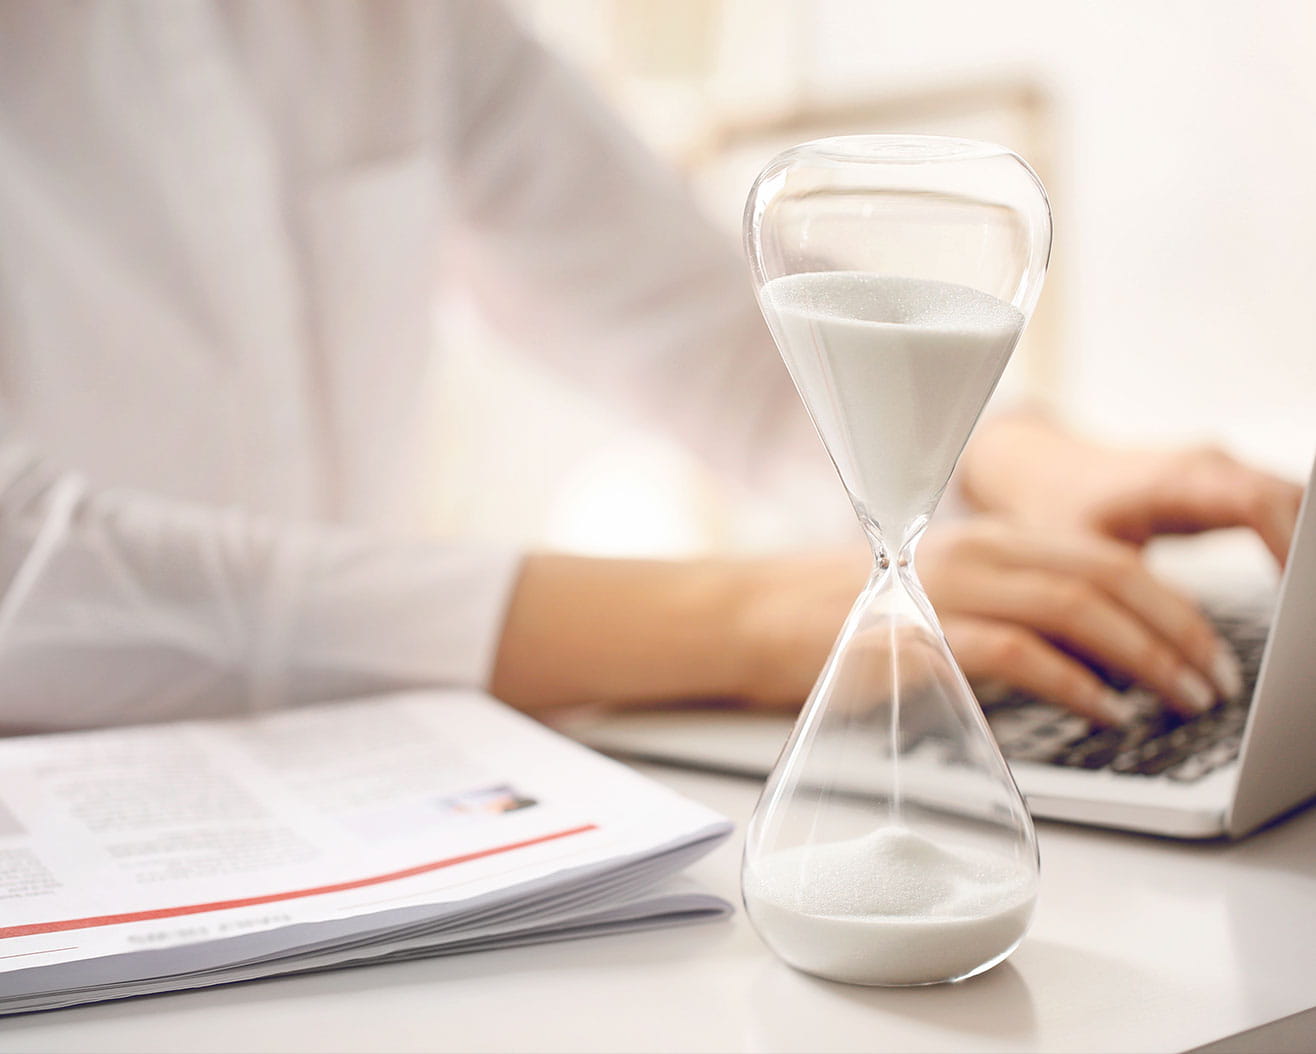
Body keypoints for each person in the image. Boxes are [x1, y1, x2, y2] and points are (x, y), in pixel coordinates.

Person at [0, 1, 1302, 735]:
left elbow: (723, 341)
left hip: (363, 802)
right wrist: (753, 618)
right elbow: (27, 566)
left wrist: (1023, 459)